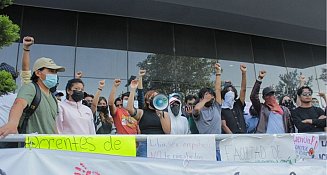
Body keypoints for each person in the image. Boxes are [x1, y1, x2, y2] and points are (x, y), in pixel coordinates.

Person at [0, 57, 65, 137]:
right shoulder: (31, 88)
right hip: (32, 146)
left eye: (55, 72)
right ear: (38, 73)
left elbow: (52, 123)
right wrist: (12, 123)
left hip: (49, 146)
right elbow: (19, 104)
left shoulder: (53, 97)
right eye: (51, 71)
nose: (54, 75)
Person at [127, 79, 171, 157]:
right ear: (147, 101)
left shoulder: (164, 113)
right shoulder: (142, 112)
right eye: (153, 97)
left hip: (161, 146)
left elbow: (167, 131)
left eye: (157, 97)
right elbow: (130, 109)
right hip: (145, 145)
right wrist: (133, 89)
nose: (155, 98)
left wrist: (160, 115)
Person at [193, 63, 222, 160]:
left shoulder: (216, 107)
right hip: (205, 149)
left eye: (211, 95)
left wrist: (218, 72)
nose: (210, 97)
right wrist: (205, 100)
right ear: (201, 98)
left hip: (219, 148)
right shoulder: (199, 110)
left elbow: (218, 90)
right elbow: (196, 109)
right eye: (206, 95)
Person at [221, 64, 247, 134]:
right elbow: (223, 125)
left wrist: (243, 73)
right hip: (231, 139)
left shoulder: (238, 104)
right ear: (224, 94)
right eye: (228, 91)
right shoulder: (222, 109)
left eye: (232, 91)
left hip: (244, 136)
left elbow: (243, 89)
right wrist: (233, 137)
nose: (230, 92)